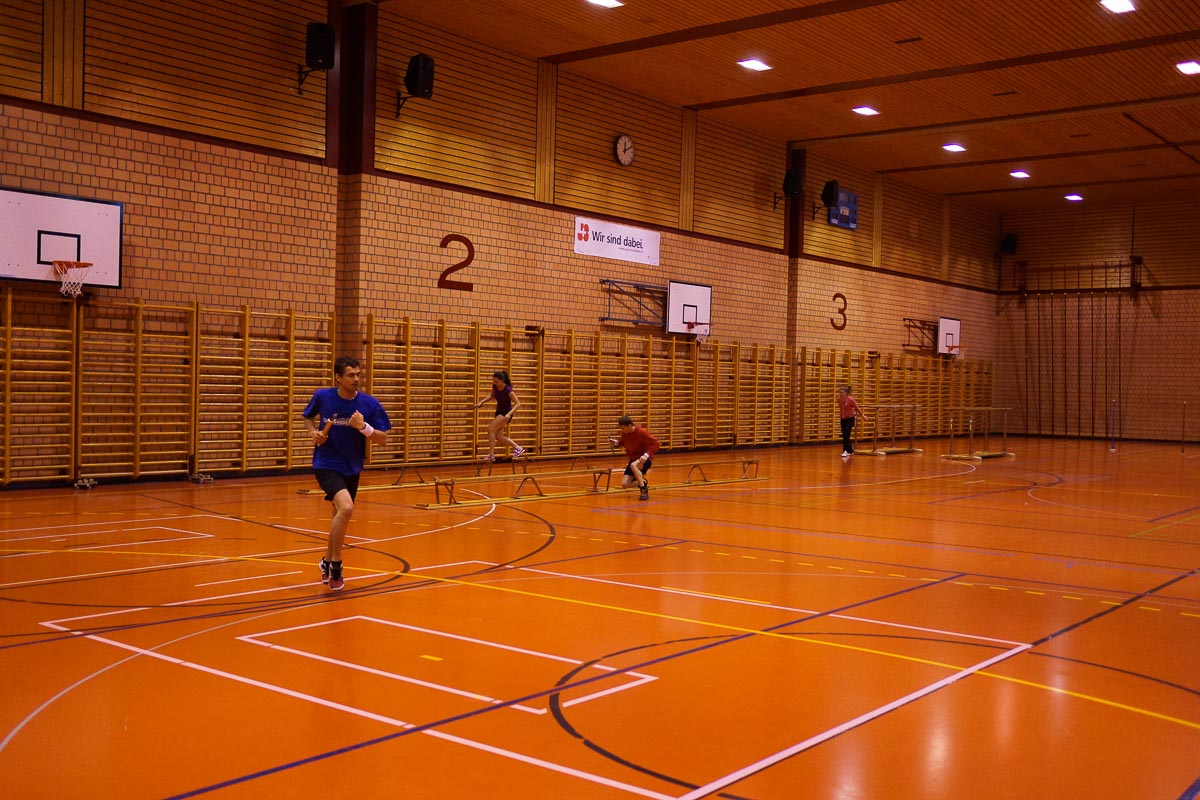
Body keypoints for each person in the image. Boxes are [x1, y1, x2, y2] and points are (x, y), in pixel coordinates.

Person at [301, 356, 391, 591]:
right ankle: (336, 566)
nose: (356, 379)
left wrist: (364, 427)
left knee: (339, 514)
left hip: (351, 466)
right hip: (326, 464)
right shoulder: (323, 396)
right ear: (338, 378)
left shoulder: (369, 404)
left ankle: (325, 560)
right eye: (351, 375)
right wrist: (313, 432)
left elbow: (383, 439)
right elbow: (307, 416)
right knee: (347, 508)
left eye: (358, 374)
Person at [473, 369, 525, 461]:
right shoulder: (495, 387)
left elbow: (518, 404)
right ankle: (518, 448)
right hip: (499, 412)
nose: (494, 383)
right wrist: (481, 402)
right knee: (499, 436)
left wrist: (509, 414)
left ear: (502, 380)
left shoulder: (508, 389)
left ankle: (491, 455)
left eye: (496, 381)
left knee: (490, 429)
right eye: (493, 381)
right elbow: (491, 396)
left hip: (506, 412)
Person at [610, 415, 659, 501]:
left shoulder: (641, 433)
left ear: (629, 425)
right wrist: (616, 443)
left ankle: (644, 490)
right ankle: (642, 482)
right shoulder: (625, 434)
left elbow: (656, 443)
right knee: (624, 484)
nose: (622, 430)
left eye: (623, 428)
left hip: (644, 459)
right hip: (633, 459)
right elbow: (622, 443)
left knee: (633, 465)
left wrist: (646, 455)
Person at [836, 385, 867, 457]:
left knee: (846, 434)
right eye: (840, 392)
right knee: (845, 435)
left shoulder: (850, 400)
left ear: (846, 393)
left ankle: (845, 451)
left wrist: (863, 415)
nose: (841, 394)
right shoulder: (839, 399)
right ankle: (850, 450)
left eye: (842, 392)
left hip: (850, 419)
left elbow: (857, 408)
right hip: (843, 419)